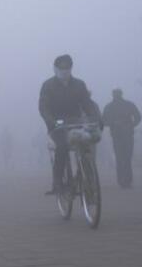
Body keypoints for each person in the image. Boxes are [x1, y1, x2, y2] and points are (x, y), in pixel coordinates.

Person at [38, 54, 101, 195]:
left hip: (76, 122)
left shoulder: (79, 84)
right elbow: (43, 107)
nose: (64, 70)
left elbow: (87, 104)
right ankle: (58, 181)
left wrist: (96, 118)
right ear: (55, 69)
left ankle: (84, 176)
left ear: (71, 68)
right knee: (62, 147)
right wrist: (51, 122)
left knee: (85, 145)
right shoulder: (48, 86)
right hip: (57, 125)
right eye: (61, 68)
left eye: (67, 67)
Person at [101, 88, 142, 188]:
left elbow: (138, 117)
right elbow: (103, 121)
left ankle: (125, 180)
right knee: (122, 158)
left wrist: (131, 125)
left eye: (117, 94)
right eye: (115, 94)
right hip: (118, 135)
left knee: (125, 158)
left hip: (125, 134)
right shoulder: (111, 107)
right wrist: (114, 123)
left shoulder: (124, 105)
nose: (117, 95)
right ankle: (124, 180)